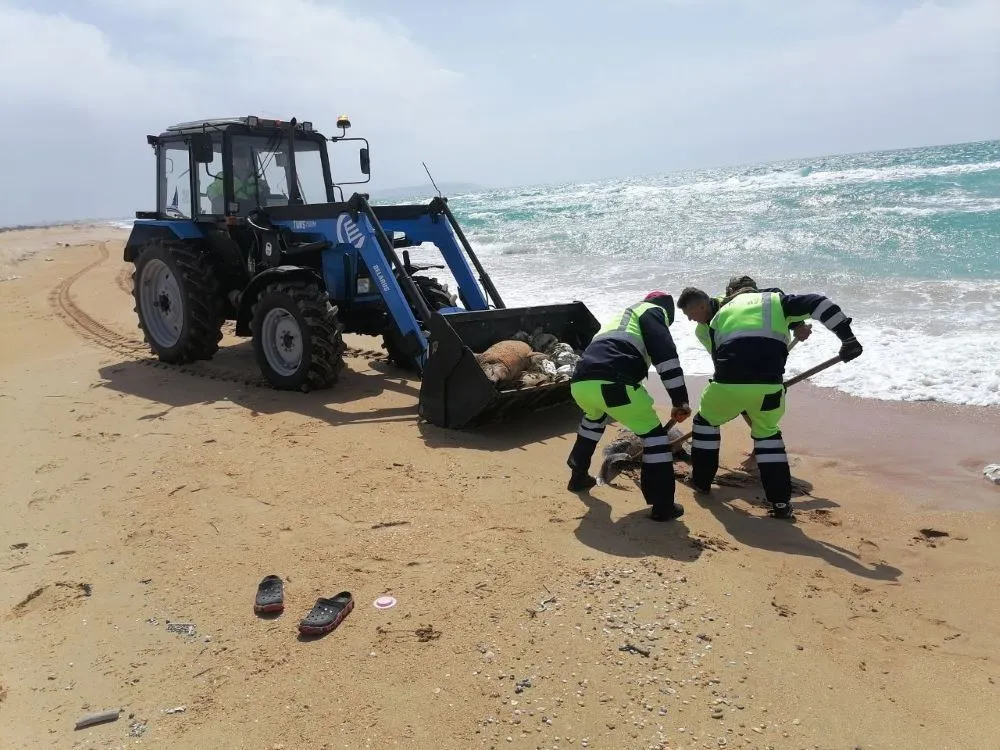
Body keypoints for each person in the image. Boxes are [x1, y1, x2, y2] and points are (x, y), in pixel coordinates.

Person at [676, 286, 863, 519]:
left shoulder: (718, 316)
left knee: (705, 423)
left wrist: (741, 394)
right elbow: (820, 303)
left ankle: (702, 482)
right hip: (770, 387)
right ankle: (782, 504)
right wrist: (848, 339)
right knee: (768, 435)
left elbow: (726, 361)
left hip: (728, 386)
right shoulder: (776, 302)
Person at [566, 291, 691, 522]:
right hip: (615, 384)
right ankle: (663, 505)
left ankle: (577, 476)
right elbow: (667, 358)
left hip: (580, 382)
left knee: (592, 423)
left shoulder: (623, 316)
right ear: (666, 310)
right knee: (654, 439)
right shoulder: (655, 312)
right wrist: (680, 400)